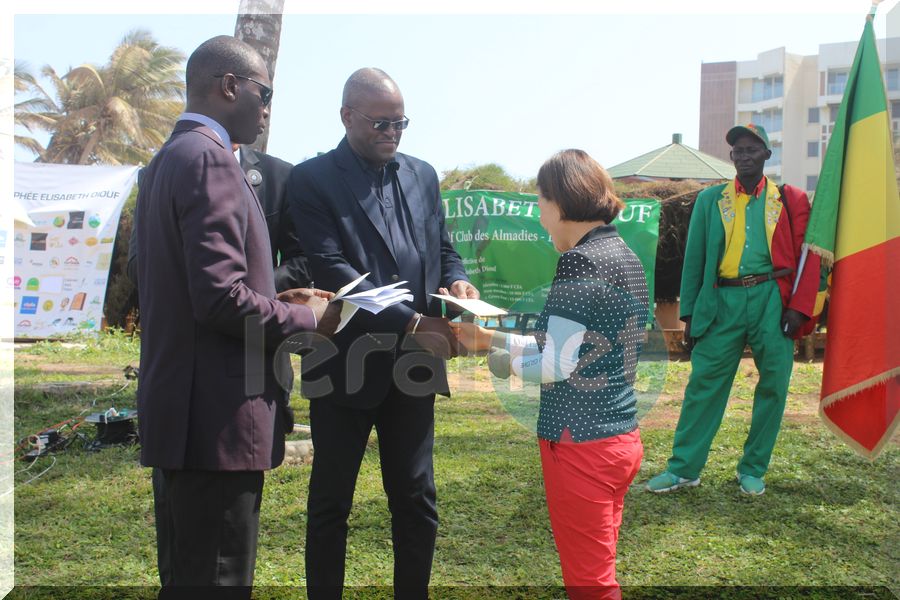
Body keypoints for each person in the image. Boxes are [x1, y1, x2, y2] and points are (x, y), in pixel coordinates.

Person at [135, 35, 338, 595]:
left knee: (186, 575)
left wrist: (277, 299)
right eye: (263, 91)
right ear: (230, 86)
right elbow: (220, 298)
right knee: (220, 578)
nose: (268, 107)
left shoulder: (165, 162)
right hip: (217, 422)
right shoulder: (211, 161)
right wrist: (308, 319)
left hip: (184, 415)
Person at [287, 67, 478, 600]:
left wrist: (457, 281)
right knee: (331, 501)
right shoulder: (313, 179)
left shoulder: (422, 175)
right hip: (344, 361)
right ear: (347, 116)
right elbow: (330, 269)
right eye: (380, 123)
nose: (392, 132)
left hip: (414, 364)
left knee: (416, 495)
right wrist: (412, 321)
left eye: (400, 122)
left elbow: (442, 249)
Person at [452, 149, 649, 600]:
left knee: (591, 585)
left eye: (540, 202)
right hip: (620, 438)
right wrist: (493, 339)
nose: (540, 216)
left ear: (560, 202)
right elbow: (573, 348)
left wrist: (500, 359)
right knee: (599, 570)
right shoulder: (622, 253)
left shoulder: (579, 262)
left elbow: (556, 364)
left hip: (580, 444)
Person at [645, 124, 821, 496]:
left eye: (751, 149)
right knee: (703, 384)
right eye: (737, 150)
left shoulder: (790, 199)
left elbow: (811, 257)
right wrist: (689, 314)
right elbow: (693, 261)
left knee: (774, 383)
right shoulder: (711, 200)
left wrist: (799, 309)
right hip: (721, 301)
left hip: (771, 299)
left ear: (766, 155)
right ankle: (683, 469)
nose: (742, 156)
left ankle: (753, 469)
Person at [127, 143, 311, 292]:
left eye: (265, 98)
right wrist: (207, 288)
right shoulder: (157, 174)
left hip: (252, 328)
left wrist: (248, 291)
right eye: (258, 97)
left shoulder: (278, 175)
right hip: (182, 328)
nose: (264, 110)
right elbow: (137, 265)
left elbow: (301, 260)